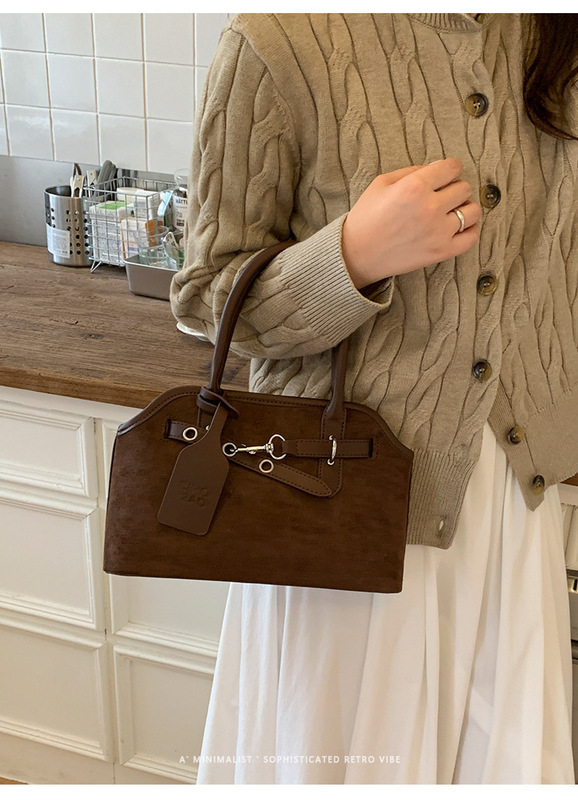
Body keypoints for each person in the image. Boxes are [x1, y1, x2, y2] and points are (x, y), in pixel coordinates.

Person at [170, 13, 578, 784]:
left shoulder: (553, 35)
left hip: (508, 509)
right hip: (335, 505)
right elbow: (206, 300)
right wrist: (352, 254)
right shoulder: (278, 39)